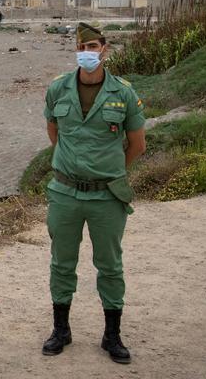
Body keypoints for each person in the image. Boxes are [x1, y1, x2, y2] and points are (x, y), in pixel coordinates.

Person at [41, 23, 146, 364]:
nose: (87, 52)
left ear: (104, 48)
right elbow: (54, 132)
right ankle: (61, 330)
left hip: (107, 196)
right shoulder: (58, 90)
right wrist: (74, 163)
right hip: (66, 193)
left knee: (110, 265)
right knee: (61, 263)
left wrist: (108, 168)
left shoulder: (124, 93)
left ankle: (112, 335)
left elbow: (137, 145)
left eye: (92, 46)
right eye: (81, 46)